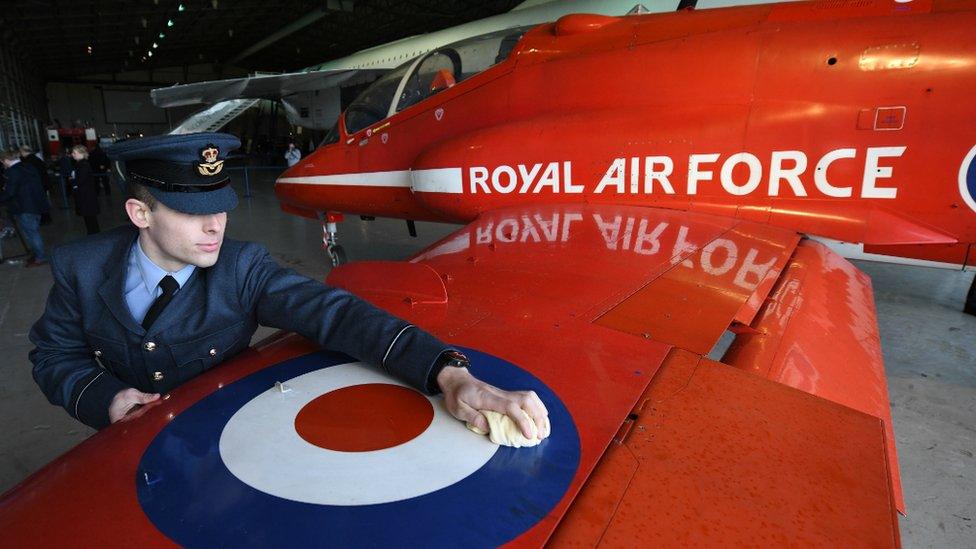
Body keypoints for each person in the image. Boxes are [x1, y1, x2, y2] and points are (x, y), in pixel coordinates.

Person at [28, 133, 550, 441]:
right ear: (139, 212)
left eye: (222, 208)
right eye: (194, 212)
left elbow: (336, 314)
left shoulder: (241, 267)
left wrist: (447, 373)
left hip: (222, 437)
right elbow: (55, 355)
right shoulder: (82, 266)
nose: (217, 227)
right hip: (127, 444)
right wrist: (106, 399)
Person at [0, 149, 50, 266]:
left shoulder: (12, 172)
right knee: (34, 231)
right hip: (36, 204)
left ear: (6, 160)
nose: (3, 164)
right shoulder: (29, 166)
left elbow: (10, 192)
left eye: (2, 162)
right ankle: (37, 254)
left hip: (24, 207)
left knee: (32, 233)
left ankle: (40, 257)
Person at [69, 145, 100, 235]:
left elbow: (80, 180)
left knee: (90, 218)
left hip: (86, 196)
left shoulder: (83, 166)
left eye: (75, 153)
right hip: (86, 196)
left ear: (81, 154)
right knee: (89, 218)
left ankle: (93, 235)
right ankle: (93, 234)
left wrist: (73, 180)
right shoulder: (81, 165)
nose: (72, 155)